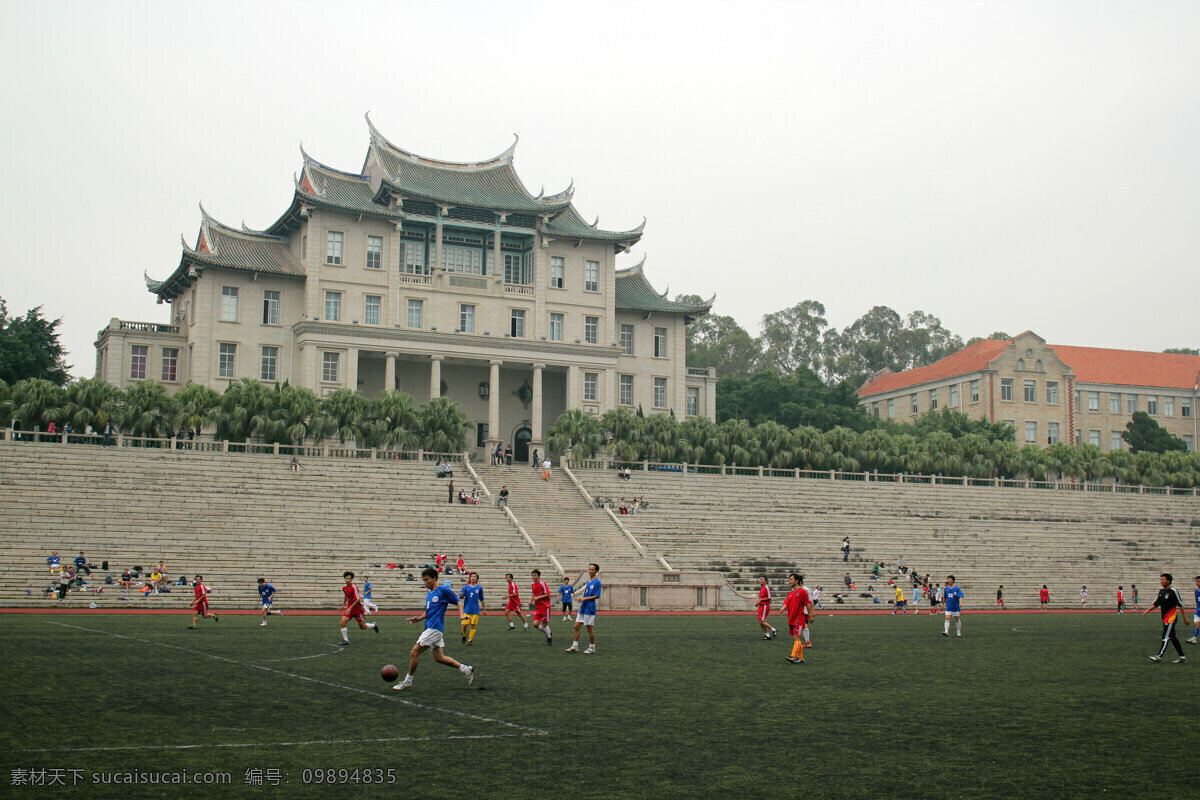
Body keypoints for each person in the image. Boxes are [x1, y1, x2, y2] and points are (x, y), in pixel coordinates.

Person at [393, 568, 475, 691]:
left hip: (434, 628)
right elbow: (429, 611)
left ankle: (407, 681)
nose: (425, 583)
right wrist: (419, 619)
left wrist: (461, 615)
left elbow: (459, 602)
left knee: (414, 653)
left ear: (434, 578)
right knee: (439, 658)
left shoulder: (442, 590)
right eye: (423, 580)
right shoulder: (430, 593)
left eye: (427, 580)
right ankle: (465, 669)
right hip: (431, 627)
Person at [1143, 573, 1189, 663]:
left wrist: (1185, 618)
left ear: (1168, 581)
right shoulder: (1161, 591)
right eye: (1161, 580)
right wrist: (1148, 610)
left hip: (1171, 618)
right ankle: (1182, 657)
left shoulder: (1173, 591)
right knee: (1172, 637)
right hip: (1165, 618)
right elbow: (1157, 602)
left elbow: (1181, 605)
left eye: (1163, 579)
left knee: (1165, 636)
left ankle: (1159, 656)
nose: (1161, 581)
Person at [565, 563, 601, 654]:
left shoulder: (597, 582)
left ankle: (592, 647)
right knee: (576, 626)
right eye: (589, 569)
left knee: (589, 627)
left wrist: (584, 598)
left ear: (596, 571)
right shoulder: (588, 581)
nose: (590, 571)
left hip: (590, 608)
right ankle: (575, 646)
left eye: (592, 569)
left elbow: (597, 596)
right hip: (583, 607)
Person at [337, 571, 380, 645]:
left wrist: (350, 608)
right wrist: (343, 605)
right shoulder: (344, 587)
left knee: (362, 627)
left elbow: (357, 599)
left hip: (357, 610)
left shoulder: (354, 587)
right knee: (342, 623)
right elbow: (346, 596)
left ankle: (373, 625)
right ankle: (346, 640)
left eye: (349, 578)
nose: (347, 580)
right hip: (349, 609)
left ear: (351, 579)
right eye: (346, 578)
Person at [782, 573, 812, 663]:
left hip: (799, 619)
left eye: (791, 579)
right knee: (796, 638)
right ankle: (801, 658)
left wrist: (810, 616)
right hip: (791, 618)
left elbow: (808, 604)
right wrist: (783, 608)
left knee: (797, 637)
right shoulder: (791, 593)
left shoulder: (802, 591)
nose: (790, 581)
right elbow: (786, 602)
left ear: (797, 581)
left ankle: (793, 656)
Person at [458, 572, 485, 646]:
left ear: (477, 578)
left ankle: (470, 641)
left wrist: (484, 609)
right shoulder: (466, 587)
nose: (473, 578)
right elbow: (461, 597)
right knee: (464, 625)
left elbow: (482, 599)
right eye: (472, 576)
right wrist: (460, 595)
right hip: (467, 609)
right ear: (469, 578)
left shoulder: (479, 588)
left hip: (475, 610)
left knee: (473, 625)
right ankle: (464, 635)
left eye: (474, 576)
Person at [530, 569, 554, 645]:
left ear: (538, 576)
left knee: (544, 624)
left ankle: (549, 639)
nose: (533, 577)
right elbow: (534, 595)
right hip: (538, 607)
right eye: (532, 575)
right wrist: (531, 599)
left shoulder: (542, 583)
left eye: (535, 575)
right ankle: (548, 632)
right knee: (535, 624)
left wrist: (538, 597)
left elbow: (548, 594)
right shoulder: (533, 585)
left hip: (545, 606)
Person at [1189, 576, 1200, 645]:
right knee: (1196, 624)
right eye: (1196, 581)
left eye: (1198, 581)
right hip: (1198, 610)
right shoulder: (1196, 591)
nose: (1197, 583)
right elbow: (1197, 601)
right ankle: (1194, 638)